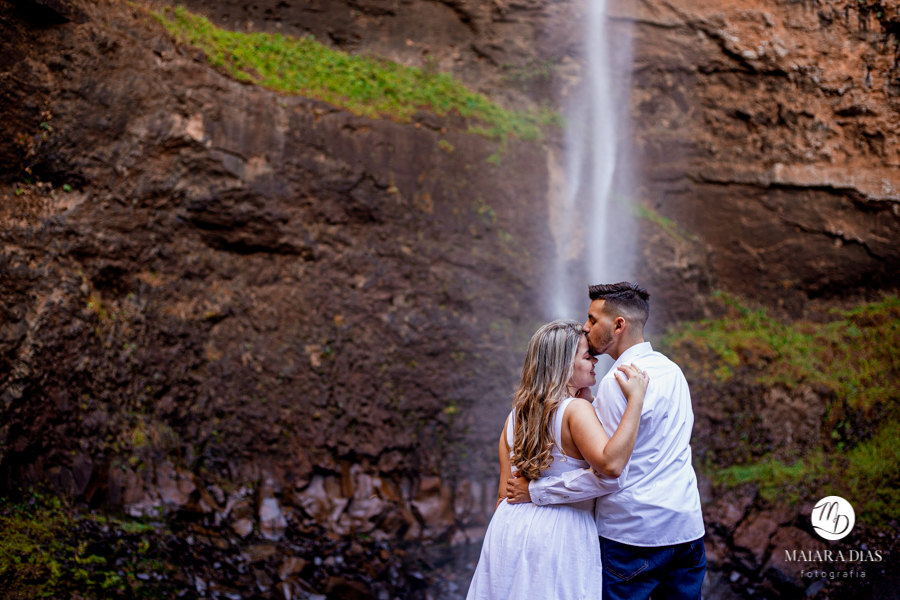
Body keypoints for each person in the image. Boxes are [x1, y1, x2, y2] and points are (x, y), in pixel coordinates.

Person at [506, 282, 706, 600]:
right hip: (686, 529)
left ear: (618, 325)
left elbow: (609, 471)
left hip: (632, 536)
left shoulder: (618, 382)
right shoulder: (673, 371)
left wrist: (536, 491)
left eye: (592, 319)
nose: (585, 328)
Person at [466, 319, 649, 600]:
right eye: (587, 357)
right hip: (559, 533)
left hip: (507, 529)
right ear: (563, 365)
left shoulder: (514, 417)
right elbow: (611, 468)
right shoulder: (575, 411)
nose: (594, 362)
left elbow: (505, 493)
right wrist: (635, 399)